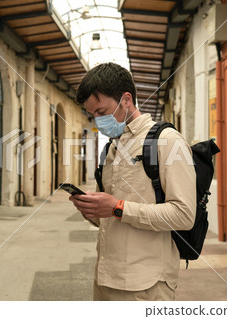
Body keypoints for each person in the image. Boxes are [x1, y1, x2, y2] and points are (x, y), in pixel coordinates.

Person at [70, 62, 196, 301]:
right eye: (92, 114)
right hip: (106, 280)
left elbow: (184, 215)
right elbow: (108, 219)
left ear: (126, 99)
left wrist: (118, 207)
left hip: (146, 286)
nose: (97, 121)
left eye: (101, 112)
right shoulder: (111, 148)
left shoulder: (168, 141)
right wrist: (90, 209)